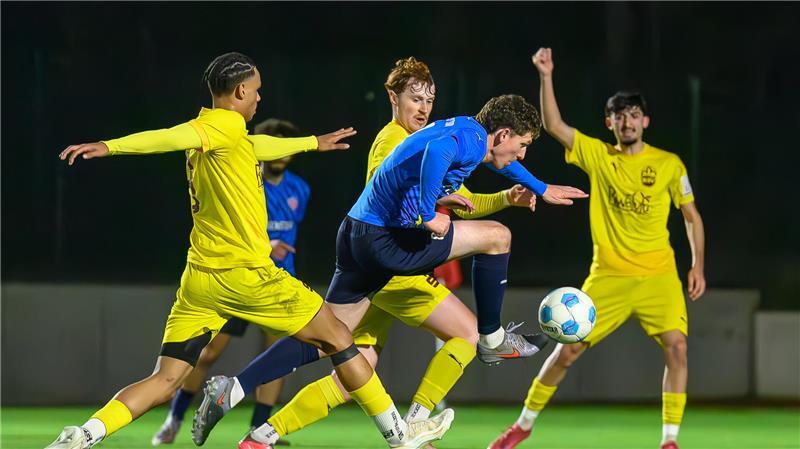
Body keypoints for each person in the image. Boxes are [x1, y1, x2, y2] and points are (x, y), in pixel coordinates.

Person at [45, 51, 453, 449]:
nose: (260, 98)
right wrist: (109, 146)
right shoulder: (217, 128)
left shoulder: (229, 135)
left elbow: (258, 147)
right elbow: (170, 136)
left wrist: (313, 142)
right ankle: (401, 437)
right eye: (256, 91)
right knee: (340, 338)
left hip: (200, 282)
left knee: (165, 380)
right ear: (239, 91)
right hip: (247, 274)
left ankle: (84, 436)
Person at [193, 55, 588, 446]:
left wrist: (532, 189)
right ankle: (480, 350)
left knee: (338, 347)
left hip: (360, 239)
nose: (424, 108)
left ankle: (244, 408)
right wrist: (426, 216)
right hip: (389, 250)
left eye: (429, 99)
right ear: (394, 99)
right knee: (493, 253)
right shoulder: (405, 138)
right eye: (416, 99)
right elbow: (414, 188)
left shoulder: (453, 133)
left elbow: (463, 192)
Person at [488, 47, 706, 449]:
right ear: (610, 123)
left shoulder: (670, 165)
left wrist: (697, 266)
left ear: (645, 121)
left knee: (677, 347)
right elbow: (553, 125)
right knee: (566, 352)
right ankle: (523, 424)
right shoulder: (599, 156)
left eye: (634, 114)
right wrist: (546, 75)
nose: (628, 121)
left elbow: (691, 216)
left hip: (659, 274)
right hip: (608, 274)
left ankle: (670, 440)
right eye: (619, 115)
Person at [150, 118, 309, 447]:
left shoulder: (300, 189)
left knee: (275, 358)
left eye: (284, 145)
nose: (279, 153)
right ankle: (175, 418)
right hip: (237, 277)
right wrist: (267, 244)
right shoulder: (242, 175)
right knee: (206, 355)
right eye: (272, 143)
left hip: (276, 280)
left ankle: (259, 429)